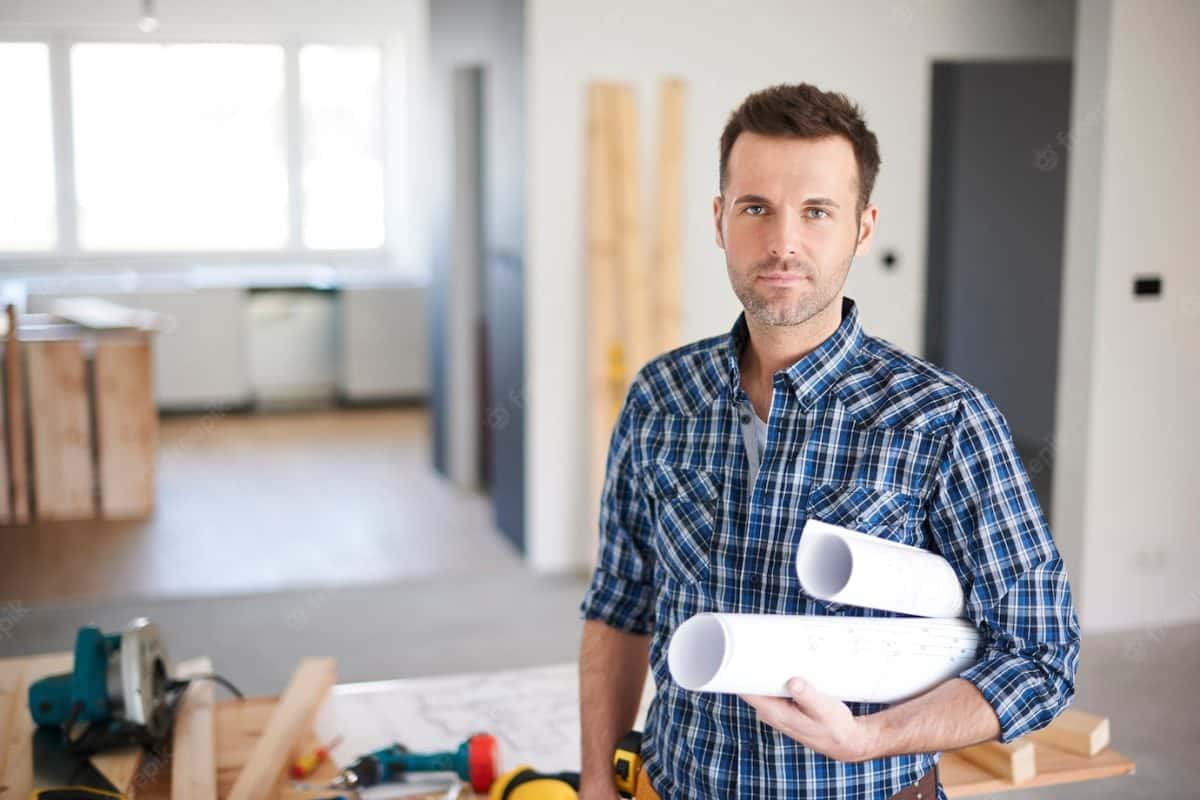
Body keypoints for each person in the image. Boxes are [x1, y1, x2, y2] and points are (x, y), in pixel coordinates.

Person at [577, 82, 1080, 800]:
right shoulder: (660, 397)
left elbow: (1041, 654)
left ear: (862, 228)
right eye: (756, 208)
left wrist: (870, 739)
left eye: (817, 212)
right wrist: (598, 780)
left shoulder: (944, 423)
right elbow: (618, 606)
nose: (783, 242)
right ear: (719, 220)